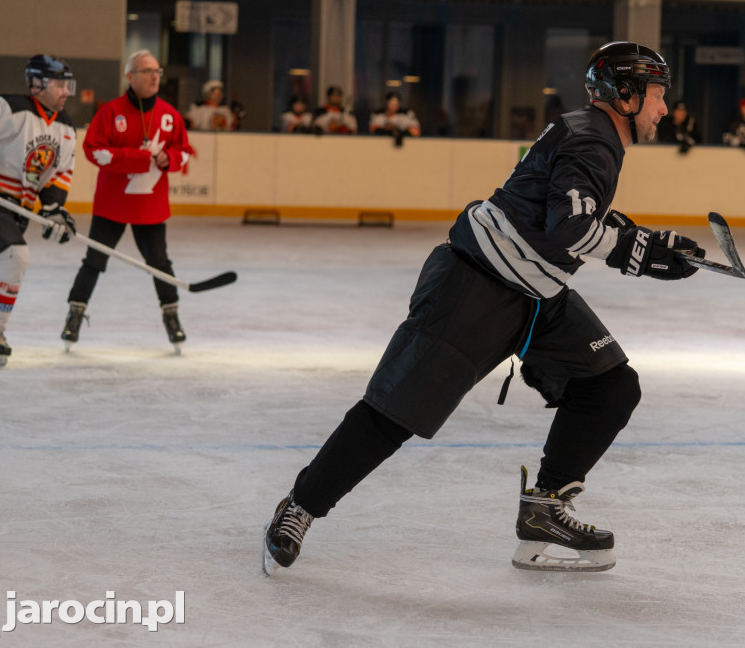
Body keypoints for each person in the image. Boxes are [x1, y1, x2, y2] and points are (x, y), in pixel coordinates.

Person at [262, 41, 705, 576]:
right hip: (475, 290)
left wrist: (647, 241)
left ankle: (545, 507)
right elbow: (570, 227)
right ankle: (301, 505)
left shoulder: (593, 133)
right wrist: (641, 252)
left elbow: (560, 213)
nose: (663, 107)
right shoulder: (594, 141)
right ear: (626, 94)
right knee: (393, 413)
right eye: (658, 94)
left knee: (610, 385)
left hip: (537, 296)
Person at [60, 49, 194, 352]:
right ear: (129, 76)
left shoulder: (171, 116)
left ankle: (172, 317)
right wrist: (139, 157)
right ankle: (75, 314)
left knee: (160, 263)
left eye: (157, 70)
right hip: (112, 205)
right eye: (147, 71)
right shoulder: (110, 112)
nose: (154, 76)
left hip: (150, 206)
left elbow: (184, 153)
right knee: (94, 261)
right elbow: (94, 150)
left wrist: (166, 158)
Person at [0, 55, 78, 366]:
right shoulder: (10, 107)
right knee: (15, 256)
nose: (67, 91)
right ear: (37, 84)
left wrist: (53, 209)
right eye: (60, 84)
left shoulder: (66, 129)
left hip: (19, 209)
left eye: (68, 84)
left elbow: (59, 175)